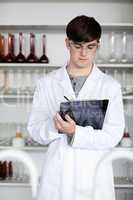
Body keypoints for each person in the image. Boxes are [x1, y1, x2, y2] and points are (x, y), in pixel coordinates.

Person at [27, 15, 125, 200]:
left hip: (95, 178)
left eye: (90, 47)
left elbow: (113, 134)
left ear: (98, 45)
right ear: (67, 43)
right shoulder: (47, 84)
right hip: (58, 176)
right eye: (77, 46)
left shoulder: (110, 87)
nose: (83, 53)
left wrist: (75, 132)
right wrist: (54, 127)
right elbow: (34, 129)